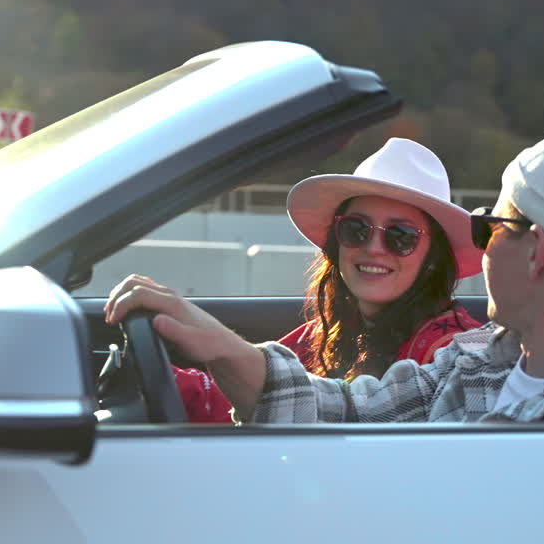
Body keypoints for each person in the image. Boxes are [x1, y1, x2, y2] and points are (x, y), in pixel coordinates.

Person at [109, 125, 544, 423]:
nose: (483, 245)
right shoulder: (483, 361)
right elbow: (346, 412)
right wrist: (216, 343)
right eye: (356, 230)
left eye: (492, 227)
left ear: (538, 251)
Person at [175, 137, 483, 422]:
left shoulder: (453, 355)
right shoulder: (326, 332)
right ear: (337, 243)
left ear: (433, 260)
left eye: (400, 236)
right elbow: (231, 394)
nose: (373, 248)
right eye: (356, 229)